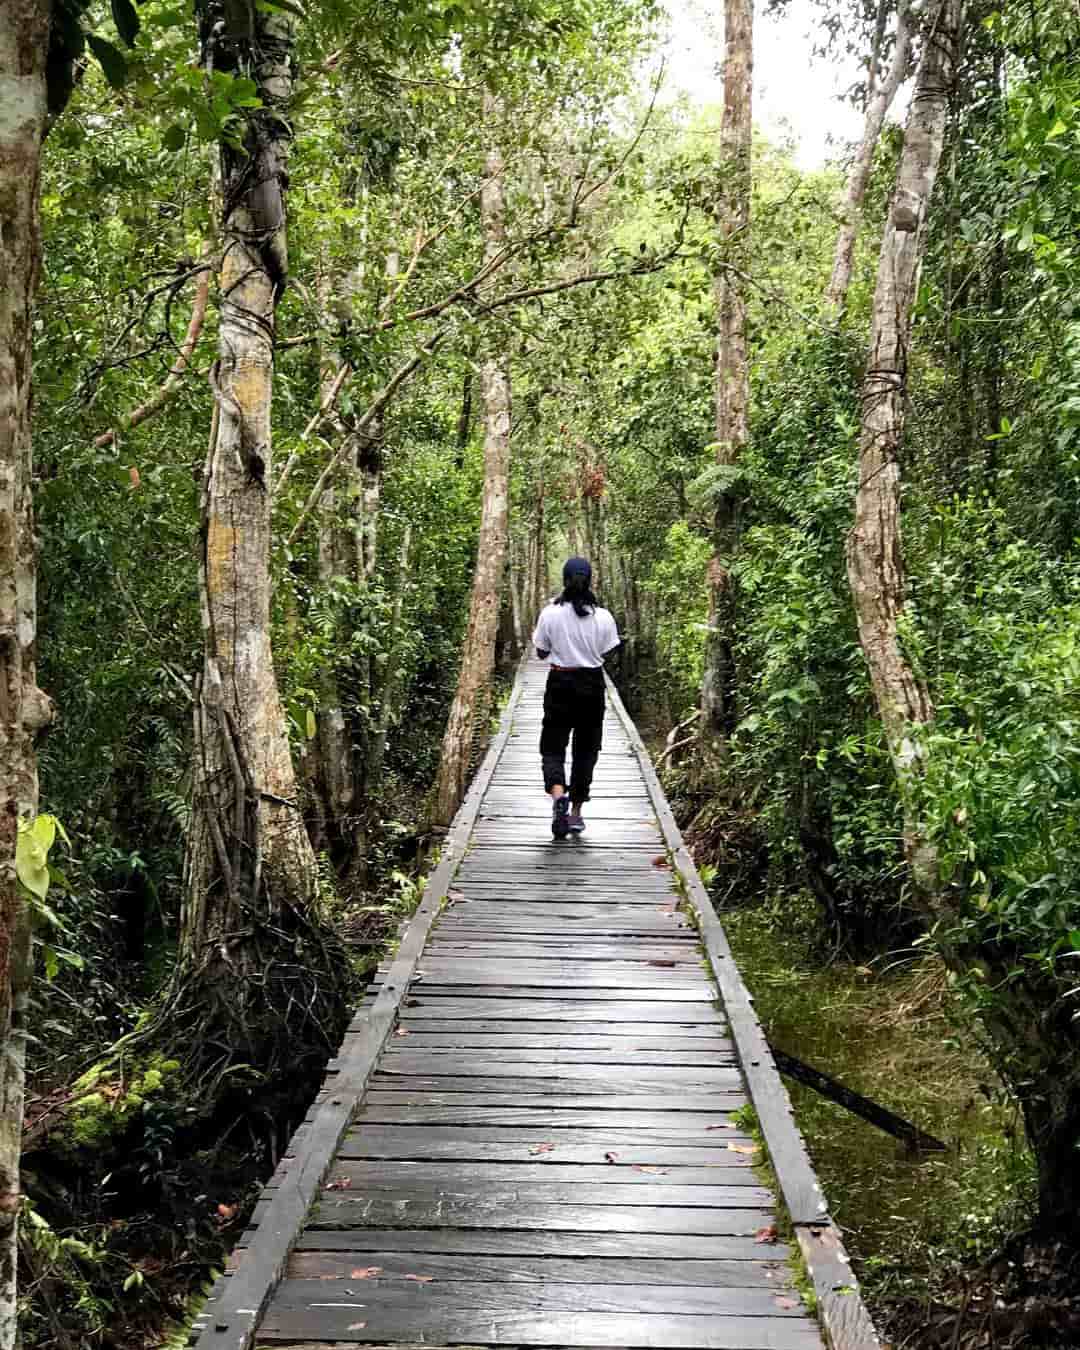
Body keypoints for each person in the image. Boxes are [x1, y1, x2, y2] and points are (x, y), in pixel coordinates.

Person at [532, 557, 621, 838]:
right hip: (591, 686)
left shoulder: (550, 613)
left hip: (560, 682)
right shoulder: (603, 616)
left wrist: (563, 646)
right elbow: (608, 651)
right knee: (586, 750)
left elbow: (541, 652)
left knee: (553, 745)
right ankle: (576, 813)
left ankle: (559, 796)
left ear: (565, 579)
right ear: (590, 580)